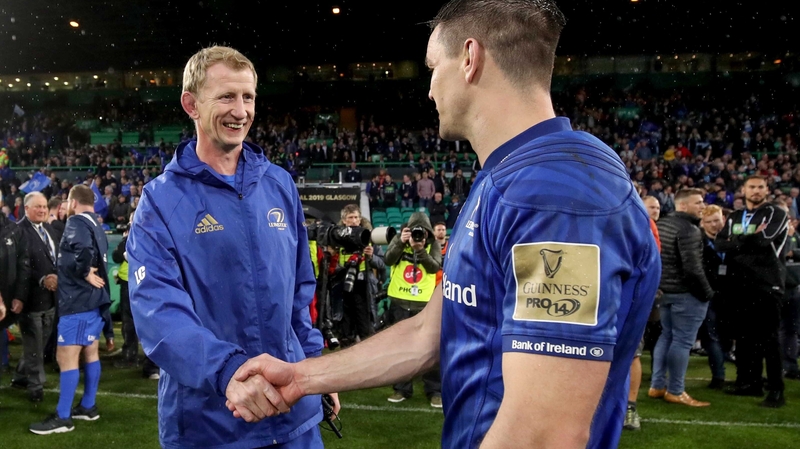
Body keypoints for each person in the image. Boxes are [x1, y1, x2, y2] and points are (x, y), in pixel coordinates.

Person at [226, 2, 661, 448]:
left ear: (470, 58)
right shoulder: (508, 178)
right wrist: (301, 376)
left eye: (434, 66)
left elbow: (543, 435)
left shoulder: (557, 197)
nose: (430, 89)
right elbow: (427, 334)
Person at [126, 46, 337, 449]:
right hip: (212, 424)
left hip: (293, 413)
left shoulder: (279, 185)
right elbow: (159, 314)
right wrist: (229, 371)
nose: (240, 111)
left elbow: (299, 295)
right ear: (191, 104)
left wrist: (314, 369)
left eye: (248, 97)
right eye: (226, 96)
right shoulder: (159, 202)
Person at [30, 184, 110, 434]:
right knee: (90, 352)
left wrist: (85, 271)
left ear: (74, 202)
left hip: (76, 302)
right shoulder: (96, 223)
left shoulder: (76, 222)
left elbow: (83, 250)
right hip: (93, 301)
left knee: (65, 357)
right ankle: (88, 406)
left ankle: (63, 417)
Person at [716, 175, 788, 407]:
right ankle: (749, 383)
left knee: (769, 338)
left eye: (760, 187)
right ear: (743, 190)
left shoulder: (776, 213)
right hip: (739, 284)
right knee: (745, 338)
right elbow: (720, 243)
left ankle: (776, 389)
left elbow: (763, 241)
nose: (755, 191)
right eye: (751, 187)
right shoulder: (736, 215)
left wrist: (735, 240)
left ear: (767, 190)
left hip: (767, 283)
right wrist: (746, 239)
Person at [648, 188, 714, 407]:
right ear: (683, 205)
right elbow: (693, 269)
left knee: (666, 336)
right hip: (686, 294)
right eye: (698, 202)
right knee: (682, 341)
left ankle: (657, 385)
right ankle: (676, 390)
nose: (702, 206)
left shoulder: (664, 223)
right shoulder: (690, 229)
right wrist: (707, 293)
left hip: (665, 291)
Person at [384, 214, 442, 407]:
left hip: (423, 304)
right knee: (400, 349)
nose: (417, 234)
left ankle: (434, 390)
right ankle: (401, 389)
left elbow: (435, 267)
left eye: (421, 231)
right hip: (399, 302)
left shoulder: (431, 243)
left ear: (427, 231)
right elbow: (388, 260)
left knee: (430, 348)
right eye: (414, 230)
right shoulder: (400, 237)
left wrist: (420, 250)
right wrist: (401, 243)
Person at [12, 192, 62, 403]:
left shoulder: (48, 229)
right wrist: (42, 279)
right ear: (27, 209)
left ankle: (21, 376)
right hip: (30, 298)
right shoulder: (18, 231)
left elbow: (55, 257)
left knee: (38, 344)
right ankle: (35, 386)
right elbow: (17, 268)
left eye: (44, 206)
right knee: (34, 345)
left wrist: (56, 276)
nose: (42, 210)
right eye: (38, 207)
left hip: (50, 298)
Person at [624, 195, 661, 431]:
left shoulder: (642, 221)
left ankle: (630, 407)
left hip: (628, 297)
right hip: (591, 296)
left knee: (632, 354)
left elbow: (652, 262)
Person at [698, 205, 733, 389]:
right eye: (709, 222)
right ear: (702, 224)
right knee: (711, 336)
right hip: (709, 294)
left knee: (728, 334)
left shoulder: (733, 240)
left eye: (717, 221)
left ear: (723, 220)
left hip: (731, 294)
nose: (714, 225)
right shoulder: (700, 242)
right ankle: (718, 377)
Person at [0, 208, 30, 384]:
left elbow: (23, 264)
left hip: (8, 295)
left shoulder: (13, 229)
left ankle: (3, 361)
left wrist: (19, 296)